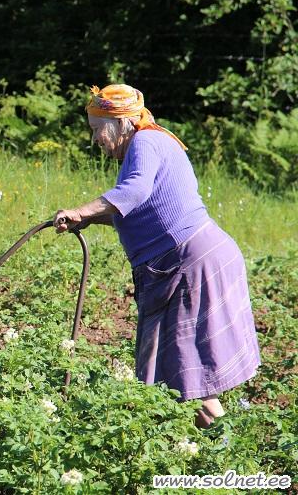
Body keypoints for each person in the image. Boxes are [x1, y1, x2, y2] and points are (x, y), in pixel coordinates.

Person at [53, 84, 260, 428]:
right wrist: (88, 217)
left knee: (183, 367)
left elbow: (133, 191)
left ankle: (225, 449)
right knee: (176, 368)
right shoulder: (148, 145)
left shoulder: (146, 142)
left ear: (121, 123)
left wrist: (80, 210)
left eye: (96, 130)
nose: (95, 140)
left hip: (190, 263)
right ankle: (214, 446)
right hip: (186, 262)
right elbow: (135, 206)